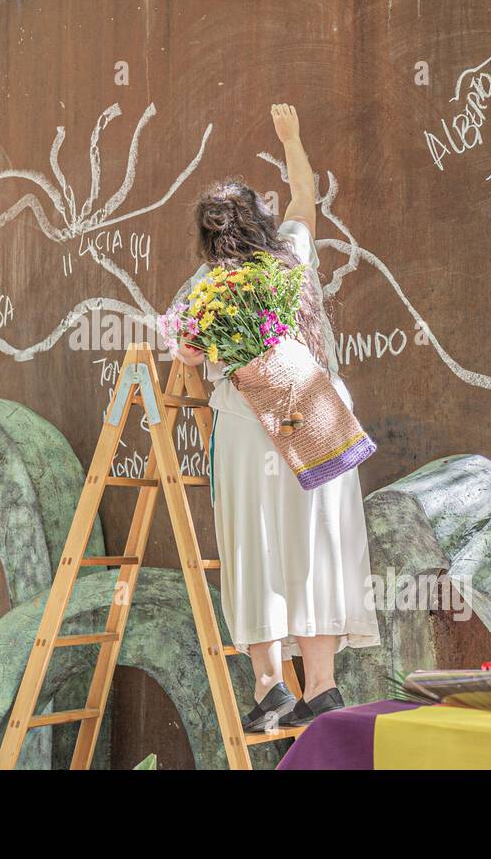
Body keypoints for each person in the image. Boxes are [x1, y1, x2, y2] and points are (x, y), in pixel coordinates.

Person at [172, 104, 381, 731]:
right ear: (260, 222)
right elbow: (305, 195)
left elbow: (185, 357)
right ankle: (321, 686)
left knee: (253, 549)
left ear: (209, 238)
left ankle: (271, 685)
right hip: (316, 415)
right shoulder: (291, 253)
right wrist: (292, 140)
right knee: (316, 545)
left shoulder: (201, 290)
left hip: (243, 427)